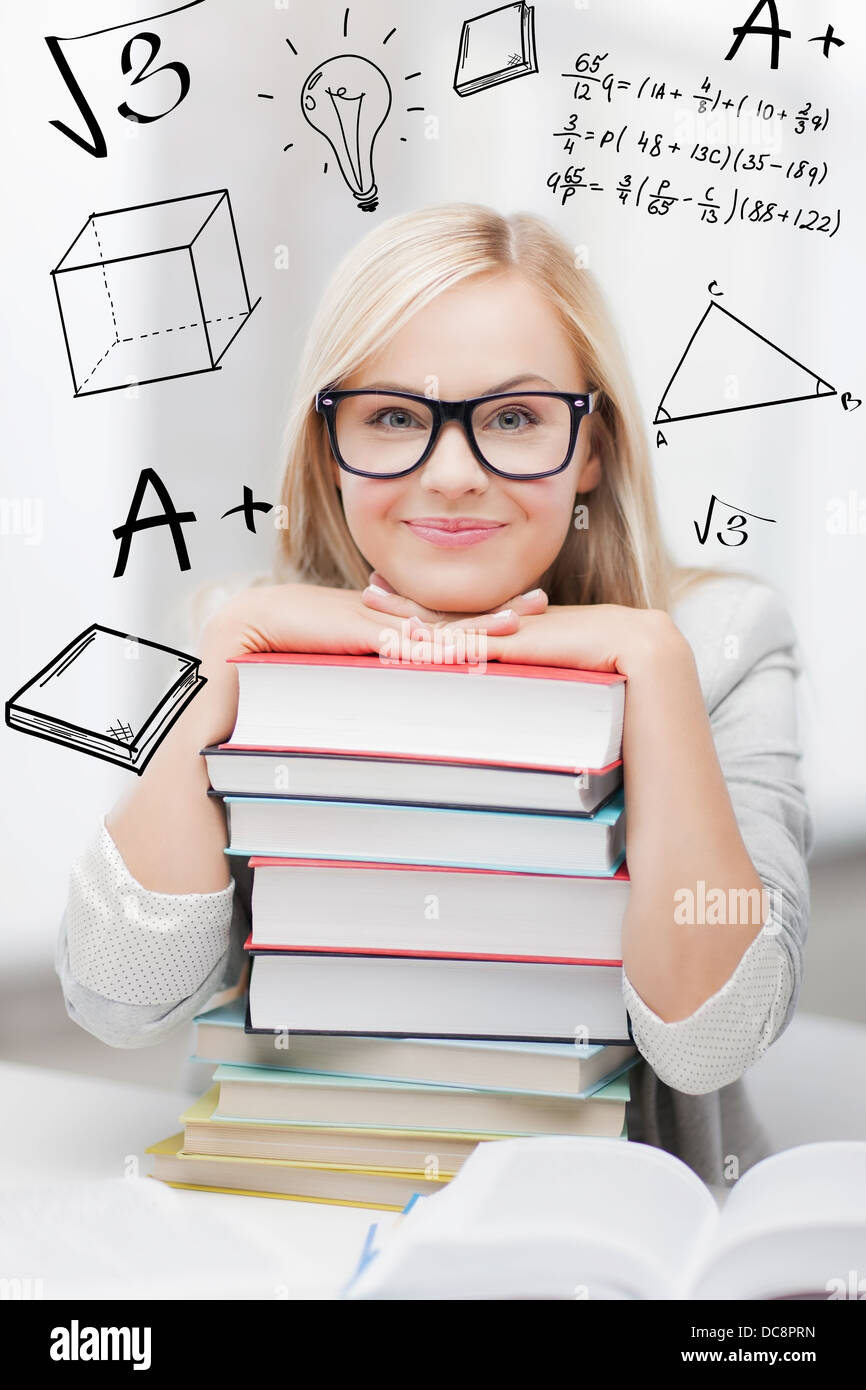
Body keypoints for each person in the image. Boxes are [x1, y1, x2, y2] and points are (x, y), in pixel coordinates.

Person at [56, 203, 813, 1186]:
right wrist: (225, 667)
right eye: (394, 418)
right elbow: (119, 998)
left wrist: (653, 666)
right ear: (328, 447)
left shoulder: (714, 643)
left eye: (511, 418)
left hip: (601, 1235)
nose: (452, 474)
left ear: (590, 447)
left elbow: (708, 1043)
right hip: (294, 1214)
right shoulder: (242, 625)